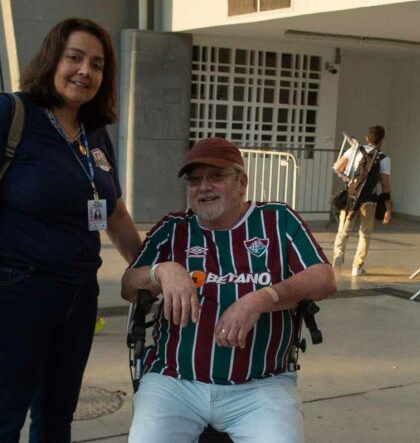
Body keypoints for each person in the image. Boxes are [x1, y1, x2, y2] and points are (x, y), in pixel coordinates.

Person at [0, 18, 142, 442]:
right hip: (13, 295)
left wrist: (151, 274)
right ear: (52, 58)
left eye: (98, 64)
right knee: (1, 421)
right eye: (75, 57)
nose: (85, 70)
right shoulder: (9, 113)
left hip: (78, 298)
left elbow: (115, 214)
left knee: (56, 420)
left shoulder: (94, 132)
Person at [121, 137, 336, 443]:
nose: (204, 187)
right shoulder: (173, 229)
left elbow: (324, 278)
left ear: (242, 182)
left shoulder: (277, 220)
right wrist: (161, 271)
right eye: (194, 180)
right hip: (174, 382)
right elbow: (129, 286)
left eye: (216, 176)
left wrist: (264, 298)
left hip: (261, 385)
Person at [332, 125, 392, 276]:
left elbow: (338, 167)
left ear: (367, 138)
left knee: (343, 231)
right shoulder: (384, 158)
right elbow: (385, 186)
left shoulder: (354, 149)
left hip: (351, 197)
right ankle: (357, 267)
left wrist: (350, 181)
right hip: (369, 200)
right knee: (365, 233)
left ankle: (338, 259)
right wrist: (388, 208)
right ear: (382, 140)